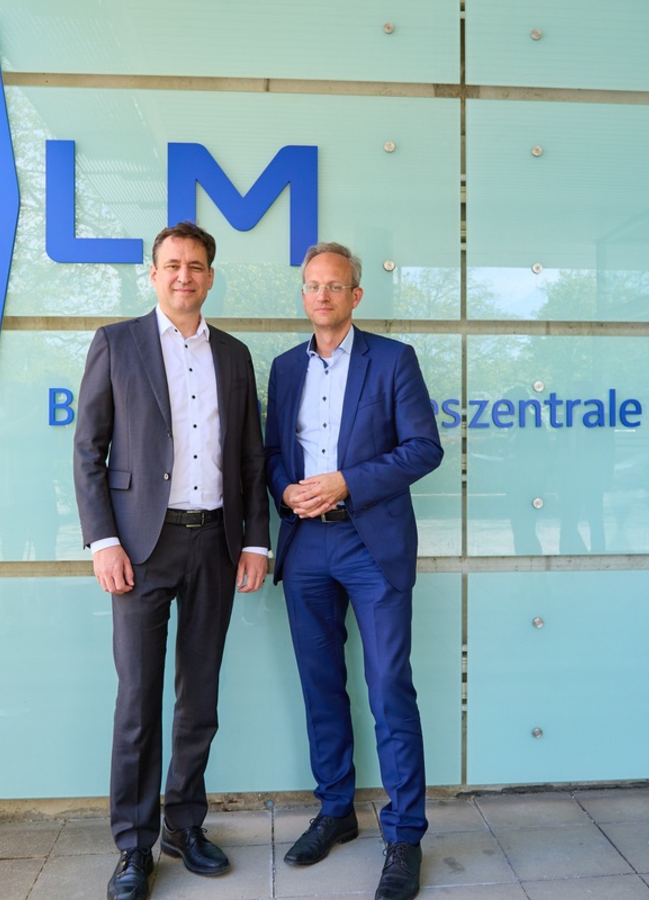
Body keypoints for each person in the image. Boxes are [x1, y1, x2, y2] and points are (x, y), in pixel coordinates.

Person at [73, 222, 270, 900]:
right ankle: (133, 846)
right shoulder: (117, 342)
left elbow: (251, 457)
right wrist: (103, 541)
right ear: (154, 274)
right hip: (139, 549)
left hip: (215, 542)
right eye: (173, 265)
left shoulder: (235, 355)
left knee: (199, 695)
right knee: (138, 699)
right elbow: (88, 450)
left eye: (196, 266)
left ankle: (184, 825)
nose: (184, 276)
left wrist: (255, 540)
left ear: (210, 276)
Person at [264, 242, 443, 900]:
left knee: (389, 685)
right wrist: (286, 488)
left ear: (355, 295)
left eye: (334, 285)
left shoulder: (393, 359)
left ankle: (404, 835)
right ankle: (337, 809)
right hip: (306, 545)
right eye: (312, 285)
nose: (322, 295)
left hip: (372, 544)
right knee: (321, 685)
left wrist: (346, 481)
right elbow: (272, 452)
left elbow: (424, 448)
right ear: (304, 294)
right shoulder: (285, 368)